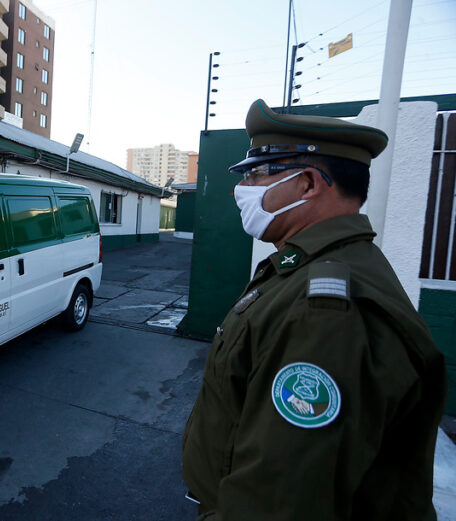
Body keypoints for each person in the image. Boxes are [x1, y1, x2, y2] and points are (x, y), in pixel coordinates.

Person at [181, 99, 446, 521]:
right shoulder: (312, 268)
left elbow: (282, 499)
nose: (241, 188)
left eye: (257, 173)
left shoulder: (325, 312)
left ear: (307, 183)